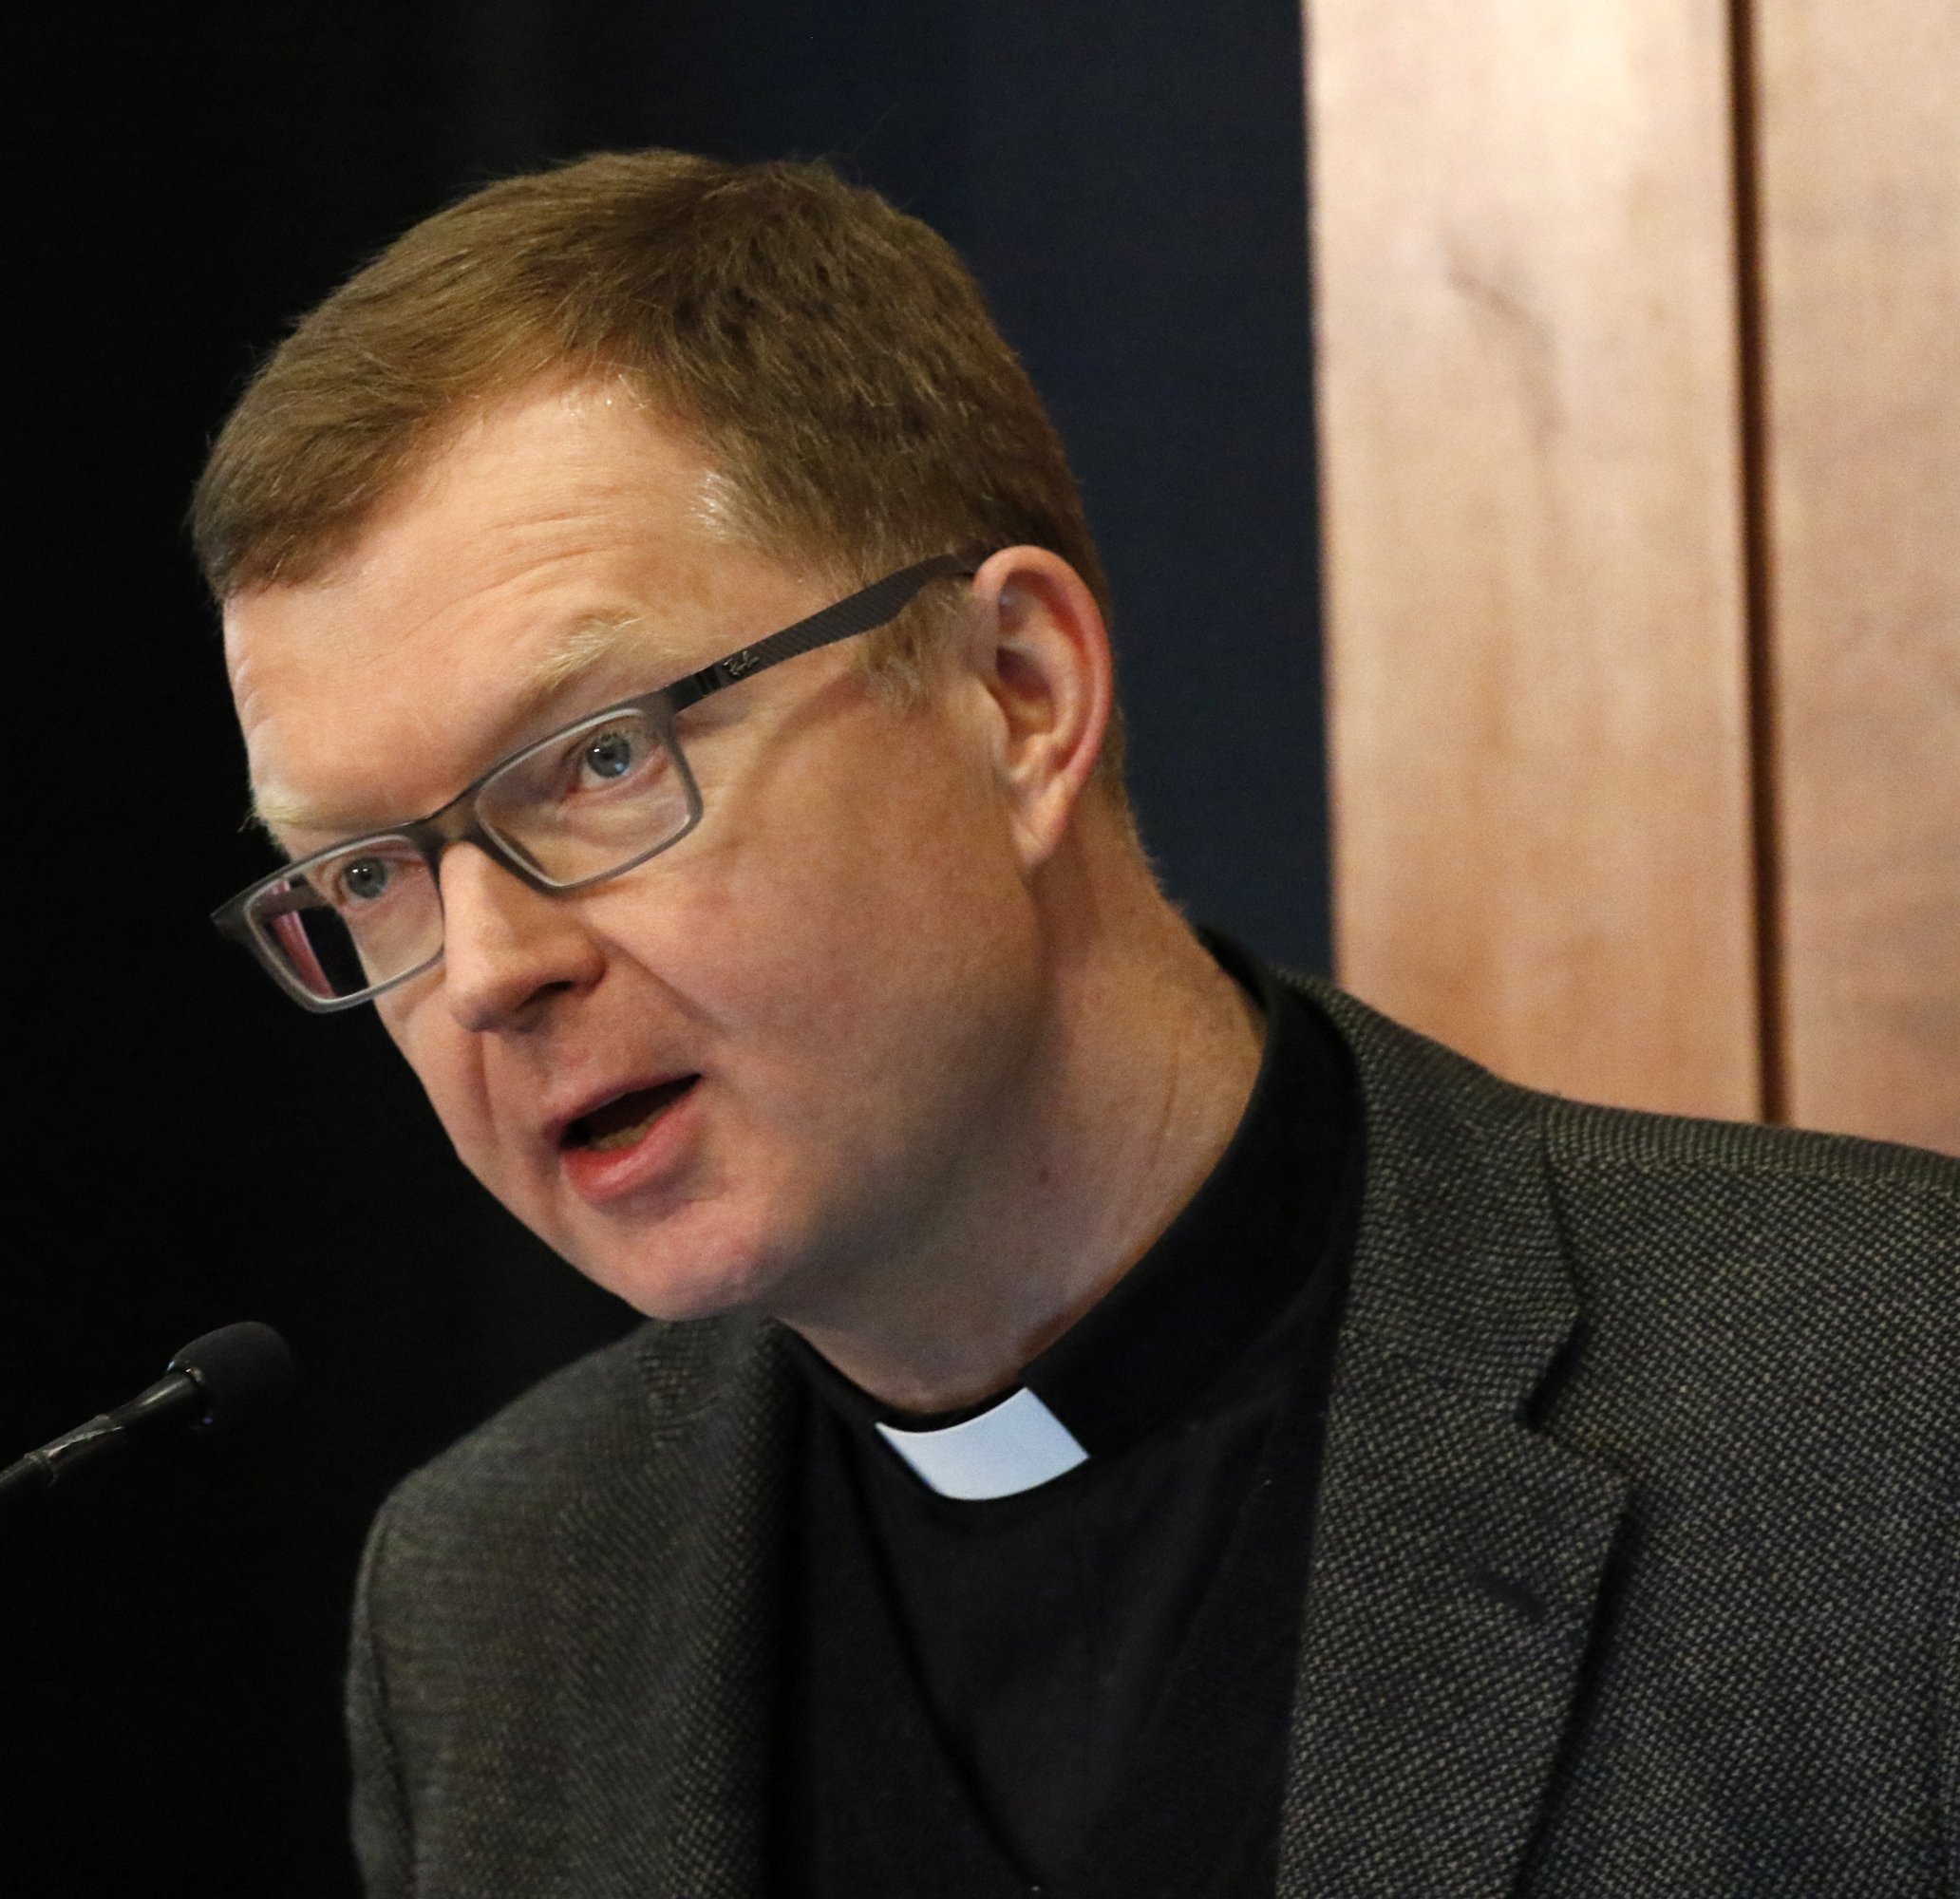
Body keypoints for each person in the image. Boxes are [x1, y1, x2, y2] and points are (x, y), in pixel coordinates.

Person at [191, 151, 1960, 1897]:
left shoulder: (1879, 1404)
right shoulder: (492, 1600)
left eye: (598, 761)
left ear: (1015, 699)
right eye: (362, 876)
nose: (488, 970)